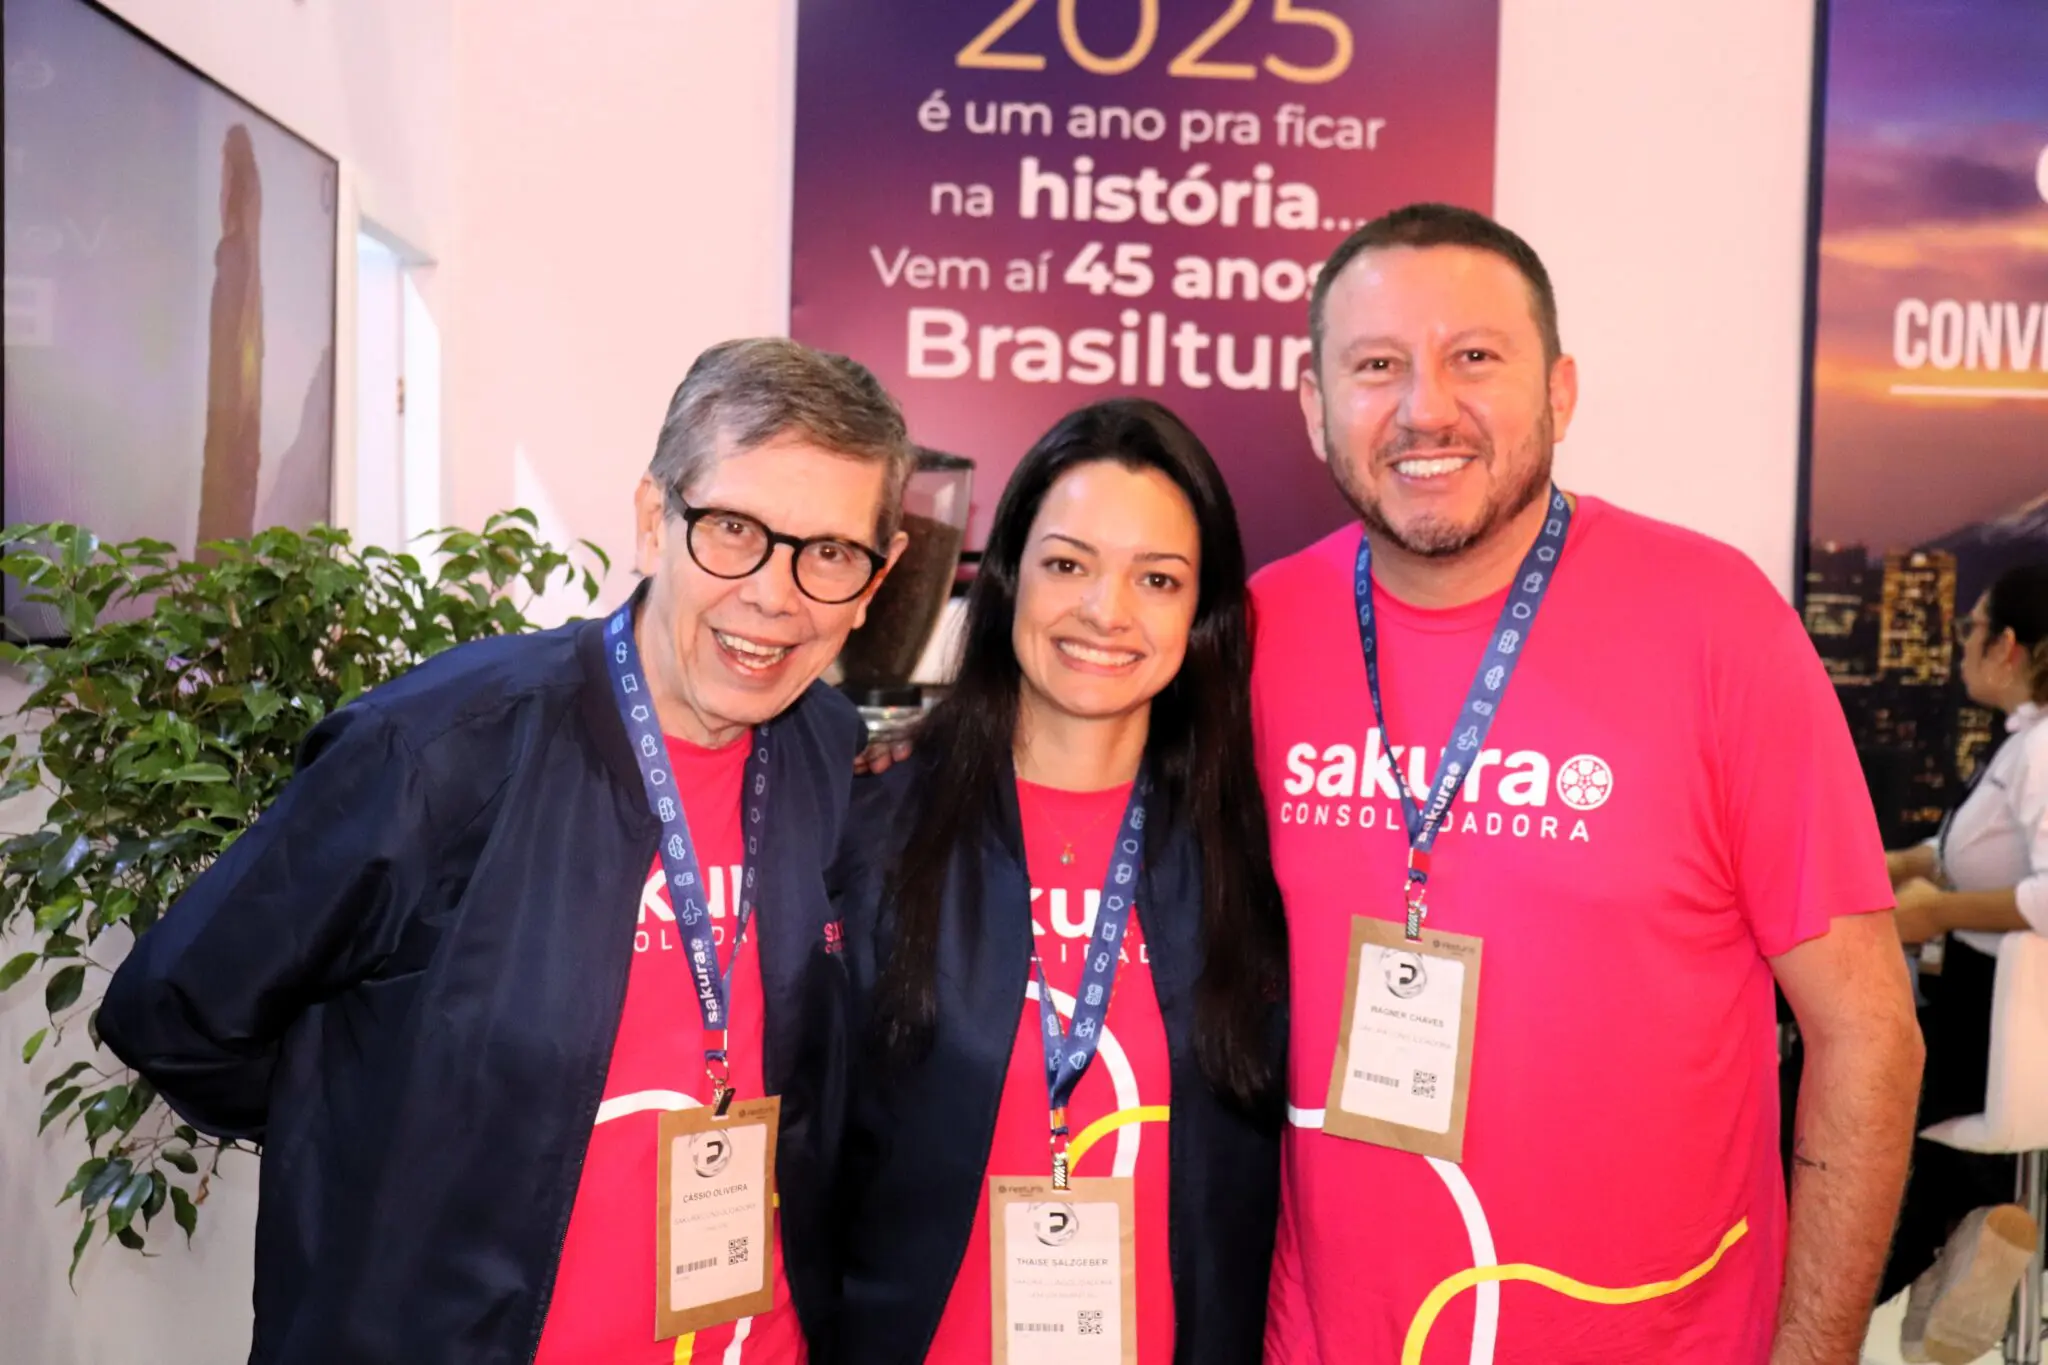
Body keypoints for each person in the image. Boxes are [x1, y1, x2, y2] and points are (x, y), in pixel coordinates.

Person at [99, 337, 913, 1364]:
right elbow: (175, 1010)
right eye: (734, 530)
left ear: (877, 578)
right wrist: (379, 1136)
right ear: (654, 521)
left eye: (829, 552)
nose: (774, 593)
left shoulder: (823, 753)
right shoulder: (441, 749)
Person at [1255, 203, 1922, 1363]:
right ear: (1314, 405)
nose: (1423, 409)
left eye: (1474, 357)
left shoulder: (1713, 625)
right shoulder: (1257, 631)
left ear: (1558, 394)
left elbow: (1866, 1035)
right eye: (1374, 366)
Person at [828, 399, 1289, 1364]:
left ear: (1200, 614)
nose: (1106, 611)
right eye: (1069, 564)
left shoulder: (1255, 854)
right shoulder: (875, 832)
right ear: (1008, 578)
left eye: (1157, 578)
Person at [1881, 562, 2048, 1361]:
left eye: (1971, 627)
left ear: (2008, 644)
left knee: (1853, 1100)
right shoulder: (2024, 742)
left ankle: (1810, 1301)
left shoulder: (2043, 749)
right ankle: (1968, 1245)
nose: (1961, 643)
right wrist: (1908, 864)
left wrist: (1936, 912)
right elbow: (1977, 850)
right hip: (1986, 1012)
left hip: (1995, 1020)